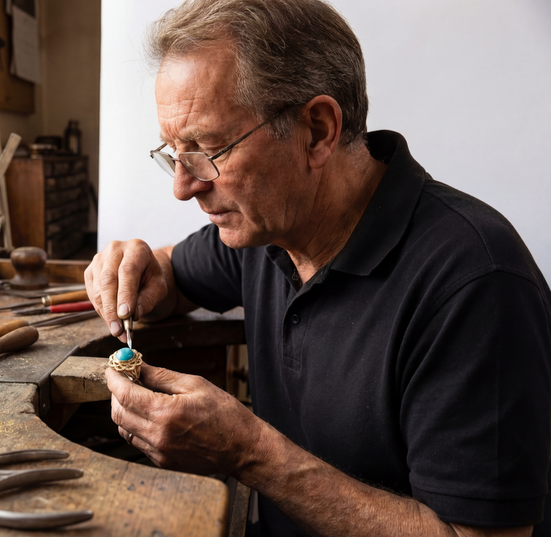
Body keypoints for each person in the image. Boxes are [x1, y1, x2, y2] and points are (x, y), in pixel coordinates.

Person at [84, 0, 551, 535]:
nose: (183, 186)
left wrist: (251, 452)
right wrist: (134, 270)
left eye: (209, 149)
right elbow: (170, 277)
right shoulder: (267, 229)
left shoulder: (475, 282)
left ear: (319, 130)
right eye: (174, 153)